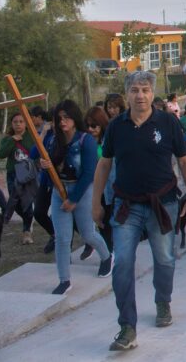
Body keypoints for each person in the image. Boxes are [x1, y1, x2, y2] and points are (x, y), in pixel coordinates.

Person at [92, 71, 186, 351]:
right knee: (123, 263)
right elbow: (104, 164)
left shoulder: (168, 122)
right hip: (126, 205)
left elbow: (185, 161)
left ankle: (163, 300)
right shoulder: (117, 126)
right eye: (135, 90)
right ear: (127, 94)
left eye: (145, 90)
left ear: (152, 94)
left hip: (163, 203)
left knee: (164, 260)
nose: (140, 95)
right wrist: (95, 204)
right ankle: (127, 326)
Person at [37, 100, 112, 295]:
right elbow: (41, 157)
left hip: (82, 189)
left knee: (87, 233)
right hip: (59, 190)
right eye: (59, 118)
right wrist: (45, 165)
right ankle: (64, 279)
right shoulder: (54, 139)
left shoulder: (85, 140)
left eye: (67, 117)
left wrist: (74, 199)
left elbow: (88, 172)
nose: (63, 122)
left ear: (74, 118)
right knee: (62, 238)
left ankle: (106, 257)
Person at [0, 113, 37, 244]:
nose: (18, 124)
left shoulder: (31, 137)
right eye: (15, 122)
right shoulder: (8, 139)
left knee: (27, 202)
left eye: (21, 121)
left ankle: (27, 231)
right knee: (15, 203)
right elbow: (1, 154)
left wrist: (22, 139)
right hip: (12, 173)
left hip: (27, 173)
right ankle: (27, 223)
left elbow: (35, 152)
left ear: (26, 123)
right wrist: (13, 140)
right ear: (11, 124)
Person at [84, 106, 114, 253]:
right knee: (100, 223)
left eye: (94, 125)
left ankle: (111, 254)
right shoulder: (86, 141)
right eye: (87, 125)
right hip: (94, 189)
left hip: (109, 188)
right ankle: (108, 254)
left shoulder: (109, 139)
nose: (90, 129)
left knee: (108, 222)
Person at [29, 106, 56, 253]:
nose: (52, 124)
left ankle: (89, 238)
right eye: (51, 121)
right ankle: (54, 234)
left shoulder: (65, 134)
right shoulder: (46, 134)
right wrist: (44, 133)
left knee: (67, 217)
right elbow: (33, 153)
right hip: (46, 179)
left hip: (60, 181)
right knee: (39, 211)